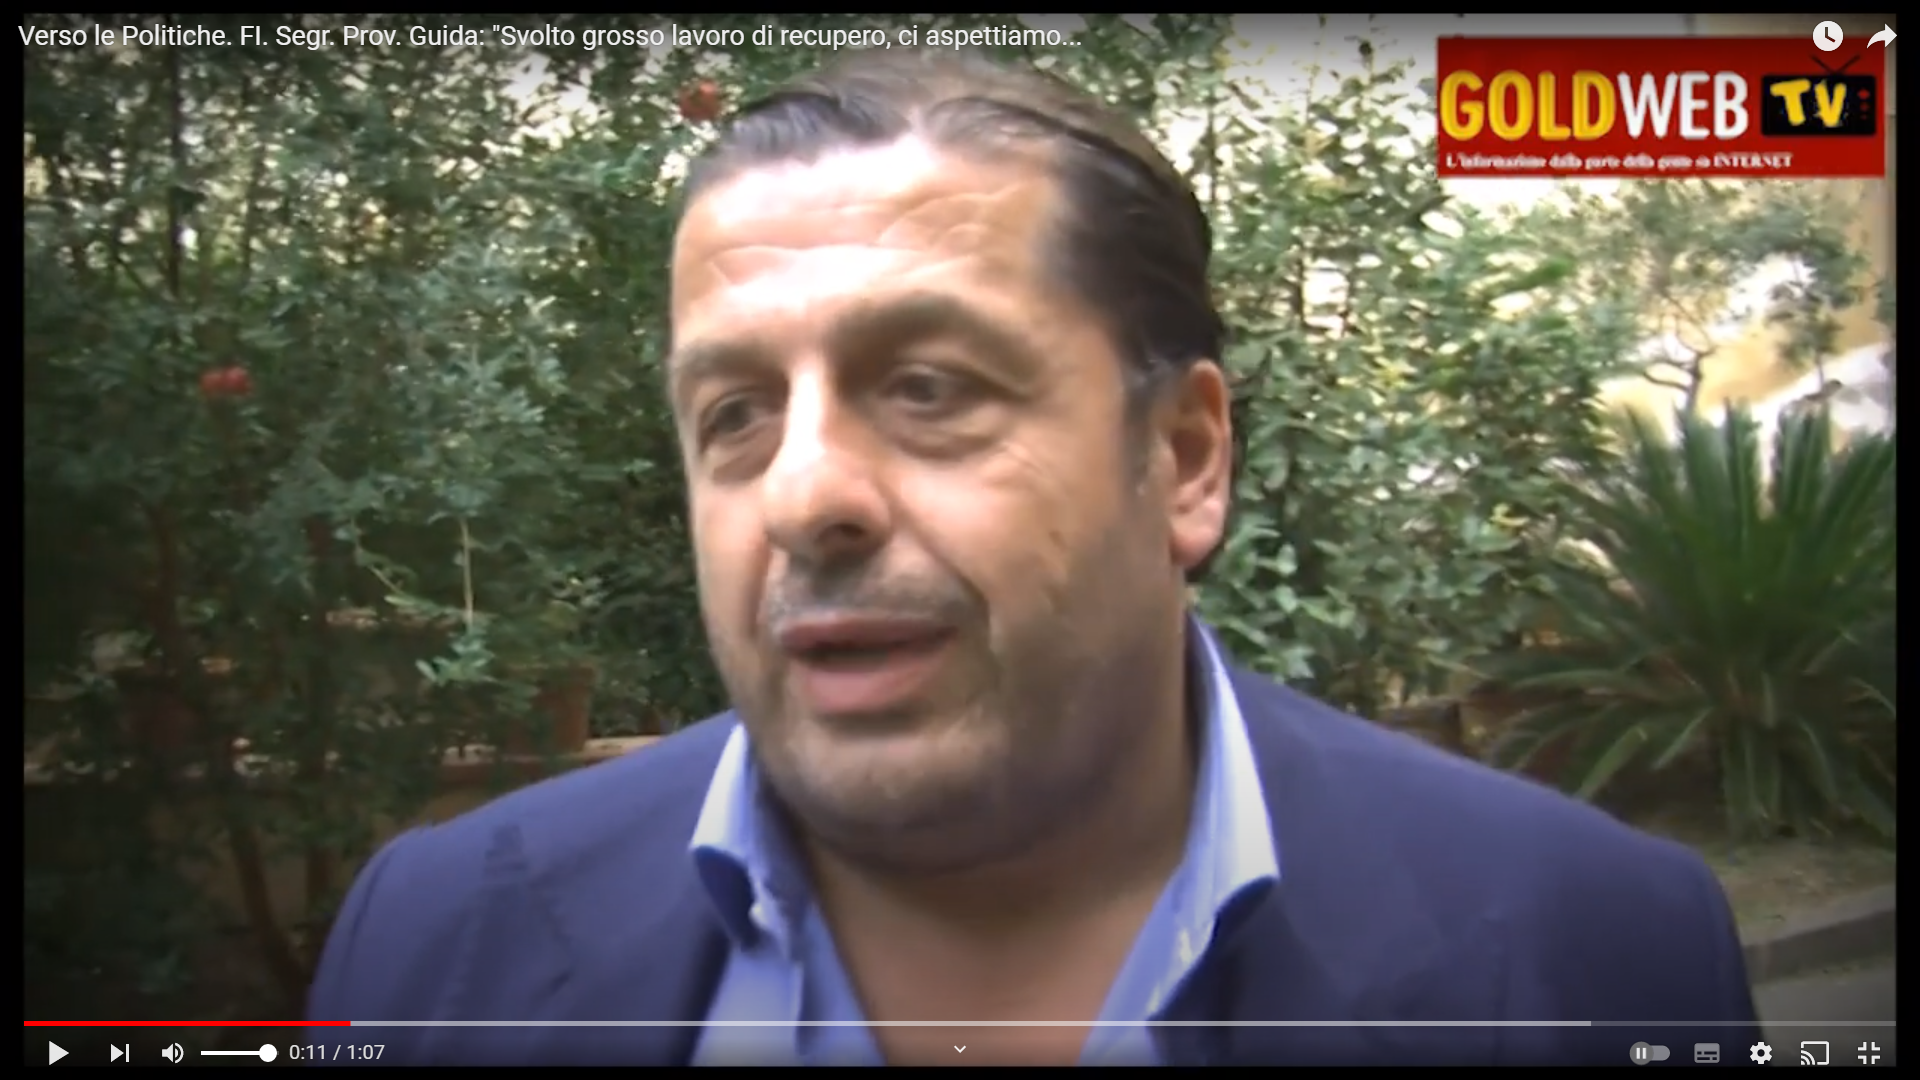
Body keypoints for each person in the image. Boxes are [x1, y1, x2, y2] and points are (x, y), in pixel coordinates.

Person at [306, 50, 1763, 1066]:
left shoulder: (1594, 954)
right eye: (735, 413)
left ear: (1184, 459)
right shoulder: (436, 951)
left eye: (929, 387)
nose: (803, 496)